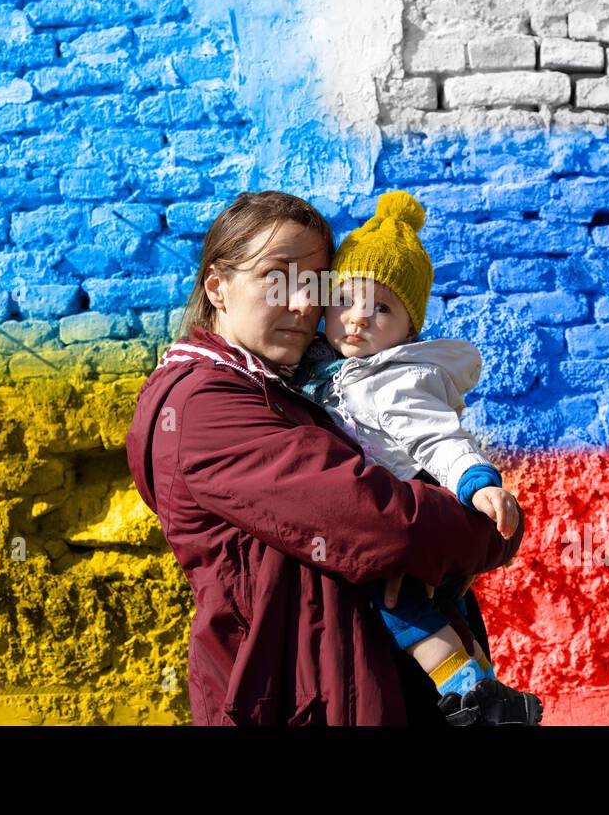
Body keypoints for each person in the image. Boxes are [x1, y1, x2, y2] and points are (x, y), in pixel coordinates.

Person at [124, 190, 526, 725]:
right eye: (277, 279)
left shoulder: (304, 388)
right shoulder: (205, 406)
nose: (301, 305)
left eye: (314, 286)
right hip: (295, 703)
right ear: (217, 287)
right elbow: (386, 527)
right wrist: (485, 526)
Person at [289, 190, 542, 724]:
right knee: (446, 612)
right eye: (346, 300)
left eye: (382, 308)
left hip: (419, 513)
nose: (358, 318)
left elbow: (440, 440)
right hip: (398, 516)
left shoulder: (396, 382)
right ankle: (492, 694)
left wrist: (479, 482)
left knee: (399, 603)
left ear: (409, 330)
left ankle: (472, 693)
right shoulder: (331, 369)